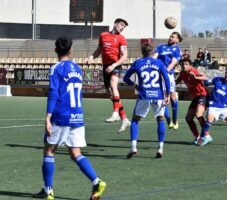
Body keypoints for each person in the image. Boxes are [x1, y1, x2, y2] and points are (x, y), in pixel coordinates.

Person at [32, 36, 106, 200]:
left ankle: (48, 190)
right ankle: (96, 181)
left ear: (55, 50)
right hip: (77, 115)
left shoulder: (56, 68)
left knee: (49, 150)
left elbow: (53, 94)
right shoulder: (78, 69)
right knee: (75, 152)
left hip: (62, 115)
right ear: (71, 50)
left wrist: (47, 117)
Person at [123, 43, 170, 159]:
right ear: (153, 52)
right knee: (160, 121)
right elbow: (167, 79)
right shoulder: (159, 63)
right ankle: (160, 148)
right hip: (158, 95)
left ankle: (134, 147)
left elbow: (125, 78)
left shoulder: (138, 63)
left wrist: (135, 85)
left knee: (134, 121)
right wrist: (167, 94)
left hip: (144, 95)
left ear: (142, 52)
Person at [87, 18, 131, 133]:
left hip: (115, 65)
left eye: (124, 27)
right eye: (121, 25)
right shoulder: (104, 35)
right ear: (115, 24)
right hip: (105, 66)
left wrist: (114, 65)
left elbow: (125, 56)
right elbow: (99, 50)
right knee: (110, 94)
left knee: (113, 85)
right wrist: (91, 57)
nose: (122, 28)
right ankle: (125, 119)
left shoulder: (121, 38)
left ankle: (115, 113)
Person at [175, 59, 211, 144]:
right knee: (188, 118)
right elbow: (176, 81)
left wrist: (195, 77)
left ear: (190, 66)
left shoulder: (194, 71)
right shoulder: (182, 73)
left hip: (203, 95)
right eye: (183, 64)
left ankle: (207, 136)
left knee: (199, 114)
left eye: (187, 64)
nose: (184, 66)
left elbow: (205, 78)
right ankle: (198, 137)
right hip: (196, 97)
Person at [154, 32, 182, 130]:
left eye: (172, 37)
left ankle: (175, 119)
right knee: (162, 98)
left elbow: (173, 63)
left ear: (177, 40)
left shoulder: (177, 49)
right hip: (158, 76)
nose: (170, 37)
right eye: (170, 36)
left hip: (168, 75)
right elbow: (154, 58)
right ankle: (168, 120)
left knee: (173, 97)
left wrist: (164, 72)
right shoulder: (161, 46)